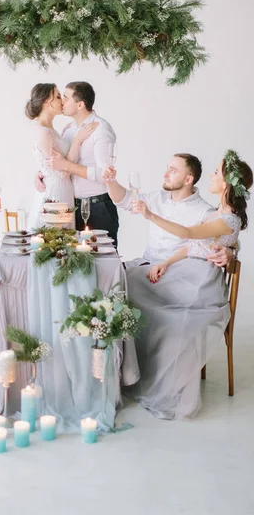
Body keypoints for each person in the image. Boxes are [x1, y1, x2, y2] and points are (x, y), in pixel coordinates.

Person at [118, 150, 252, 419]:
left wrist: (151, 216)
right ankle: (127, 369)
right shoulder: (217, 213)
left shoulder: (227, 219)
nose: (212, 176)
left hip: (199, 285)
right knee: (131, 280)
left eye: (216, 172)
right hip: (186, 270)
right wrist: (165, 263)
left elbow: (189, 233)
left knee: (132, 287)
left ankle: (137, 372)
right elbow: (193, 246)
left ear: (226, 183)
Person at [102, 153, 234, 268]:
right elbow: (125, 200)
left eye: (173, 170)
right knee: (107, 273)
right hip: (145, 263)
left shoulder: (204, 211)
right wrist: (110, 181)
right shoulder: (157, 197)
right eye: (167, 168)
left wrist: (230, 250)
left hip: (172, 272)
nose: (165, 174)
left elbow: (223, 232)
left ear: (188, 179)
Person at [36, 81, 119, 246]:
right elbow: (57, 160)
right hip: (72, 208)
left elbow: (105, 176)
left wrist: (67, 167)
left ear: (80, 104)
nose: (62, 102)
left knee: (102, 265)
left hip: (98, 208)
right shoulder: (69, 130)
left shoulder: (100, 129)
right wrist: (41, 174)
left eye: (65, 98)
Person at [26, 83, 98, 229]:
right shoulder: (44, 133)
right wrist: (77, 140)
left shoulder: (51, 130)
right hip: (56, 193)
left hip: (63, 189)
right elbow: (63, 173)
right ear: (47, 102)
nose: (62, 101)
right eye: (58, 97)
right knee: (55, 241)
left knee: (62, 242)